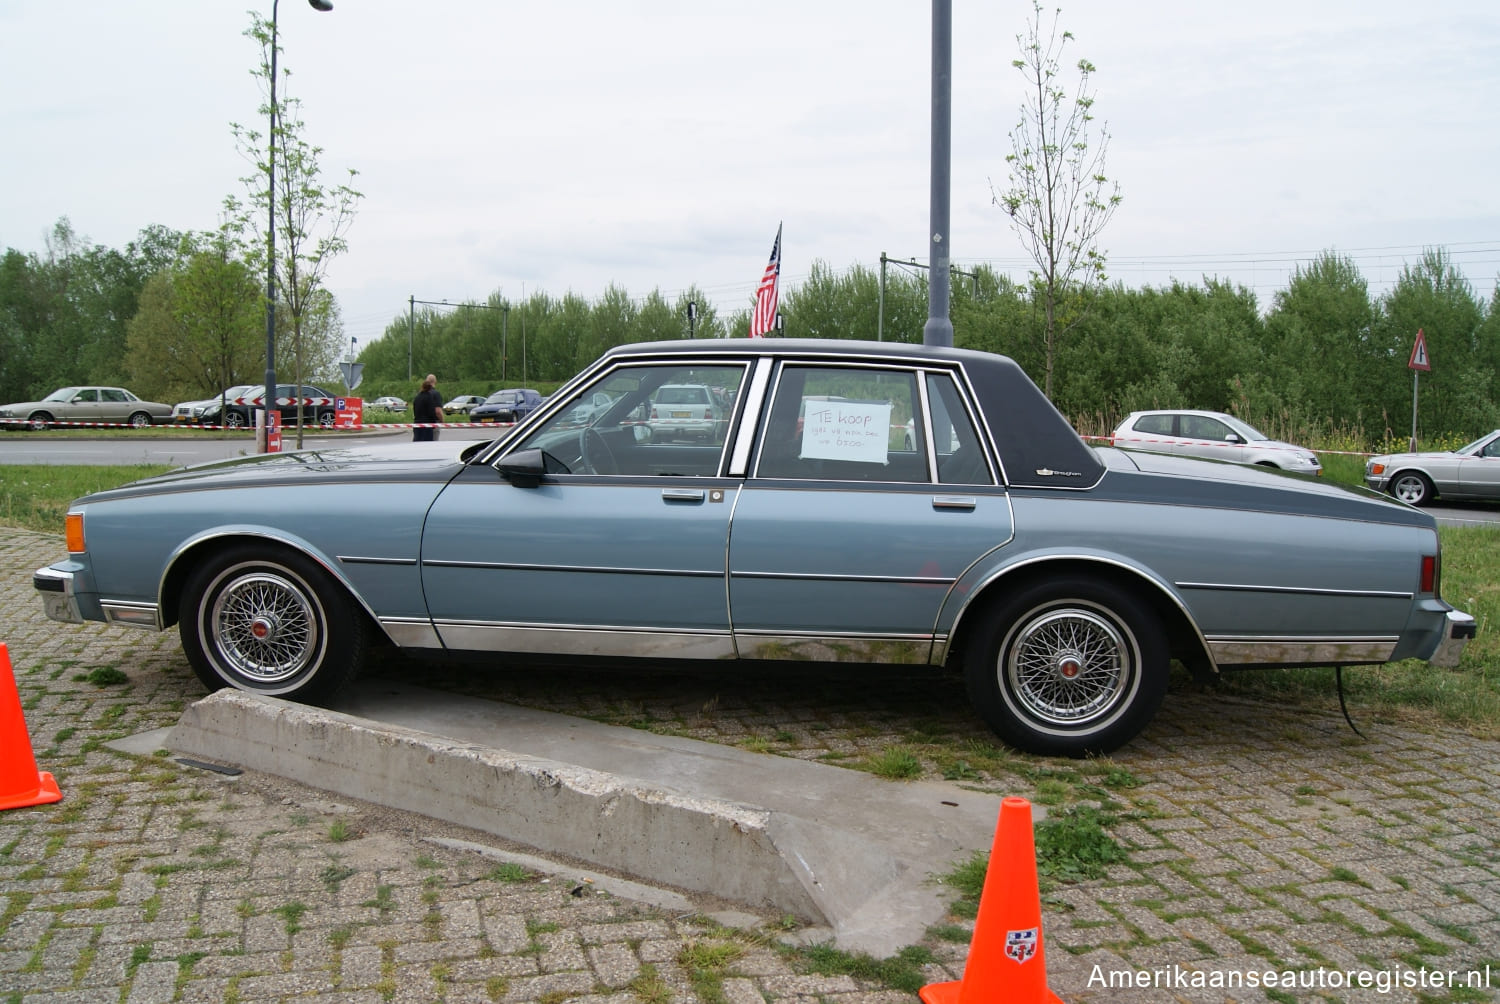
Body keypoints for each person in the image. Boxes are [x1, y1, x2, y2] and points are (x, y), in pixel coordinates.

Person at [412, 374, 445, 441]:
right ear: (435, 381)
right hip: (429, 425)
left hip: (417, 424)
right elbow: (437, 411)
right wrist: (441, 420)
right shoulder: (434, 394)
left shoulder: (417, 397)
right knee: (432, 443)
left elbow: (414, 411)